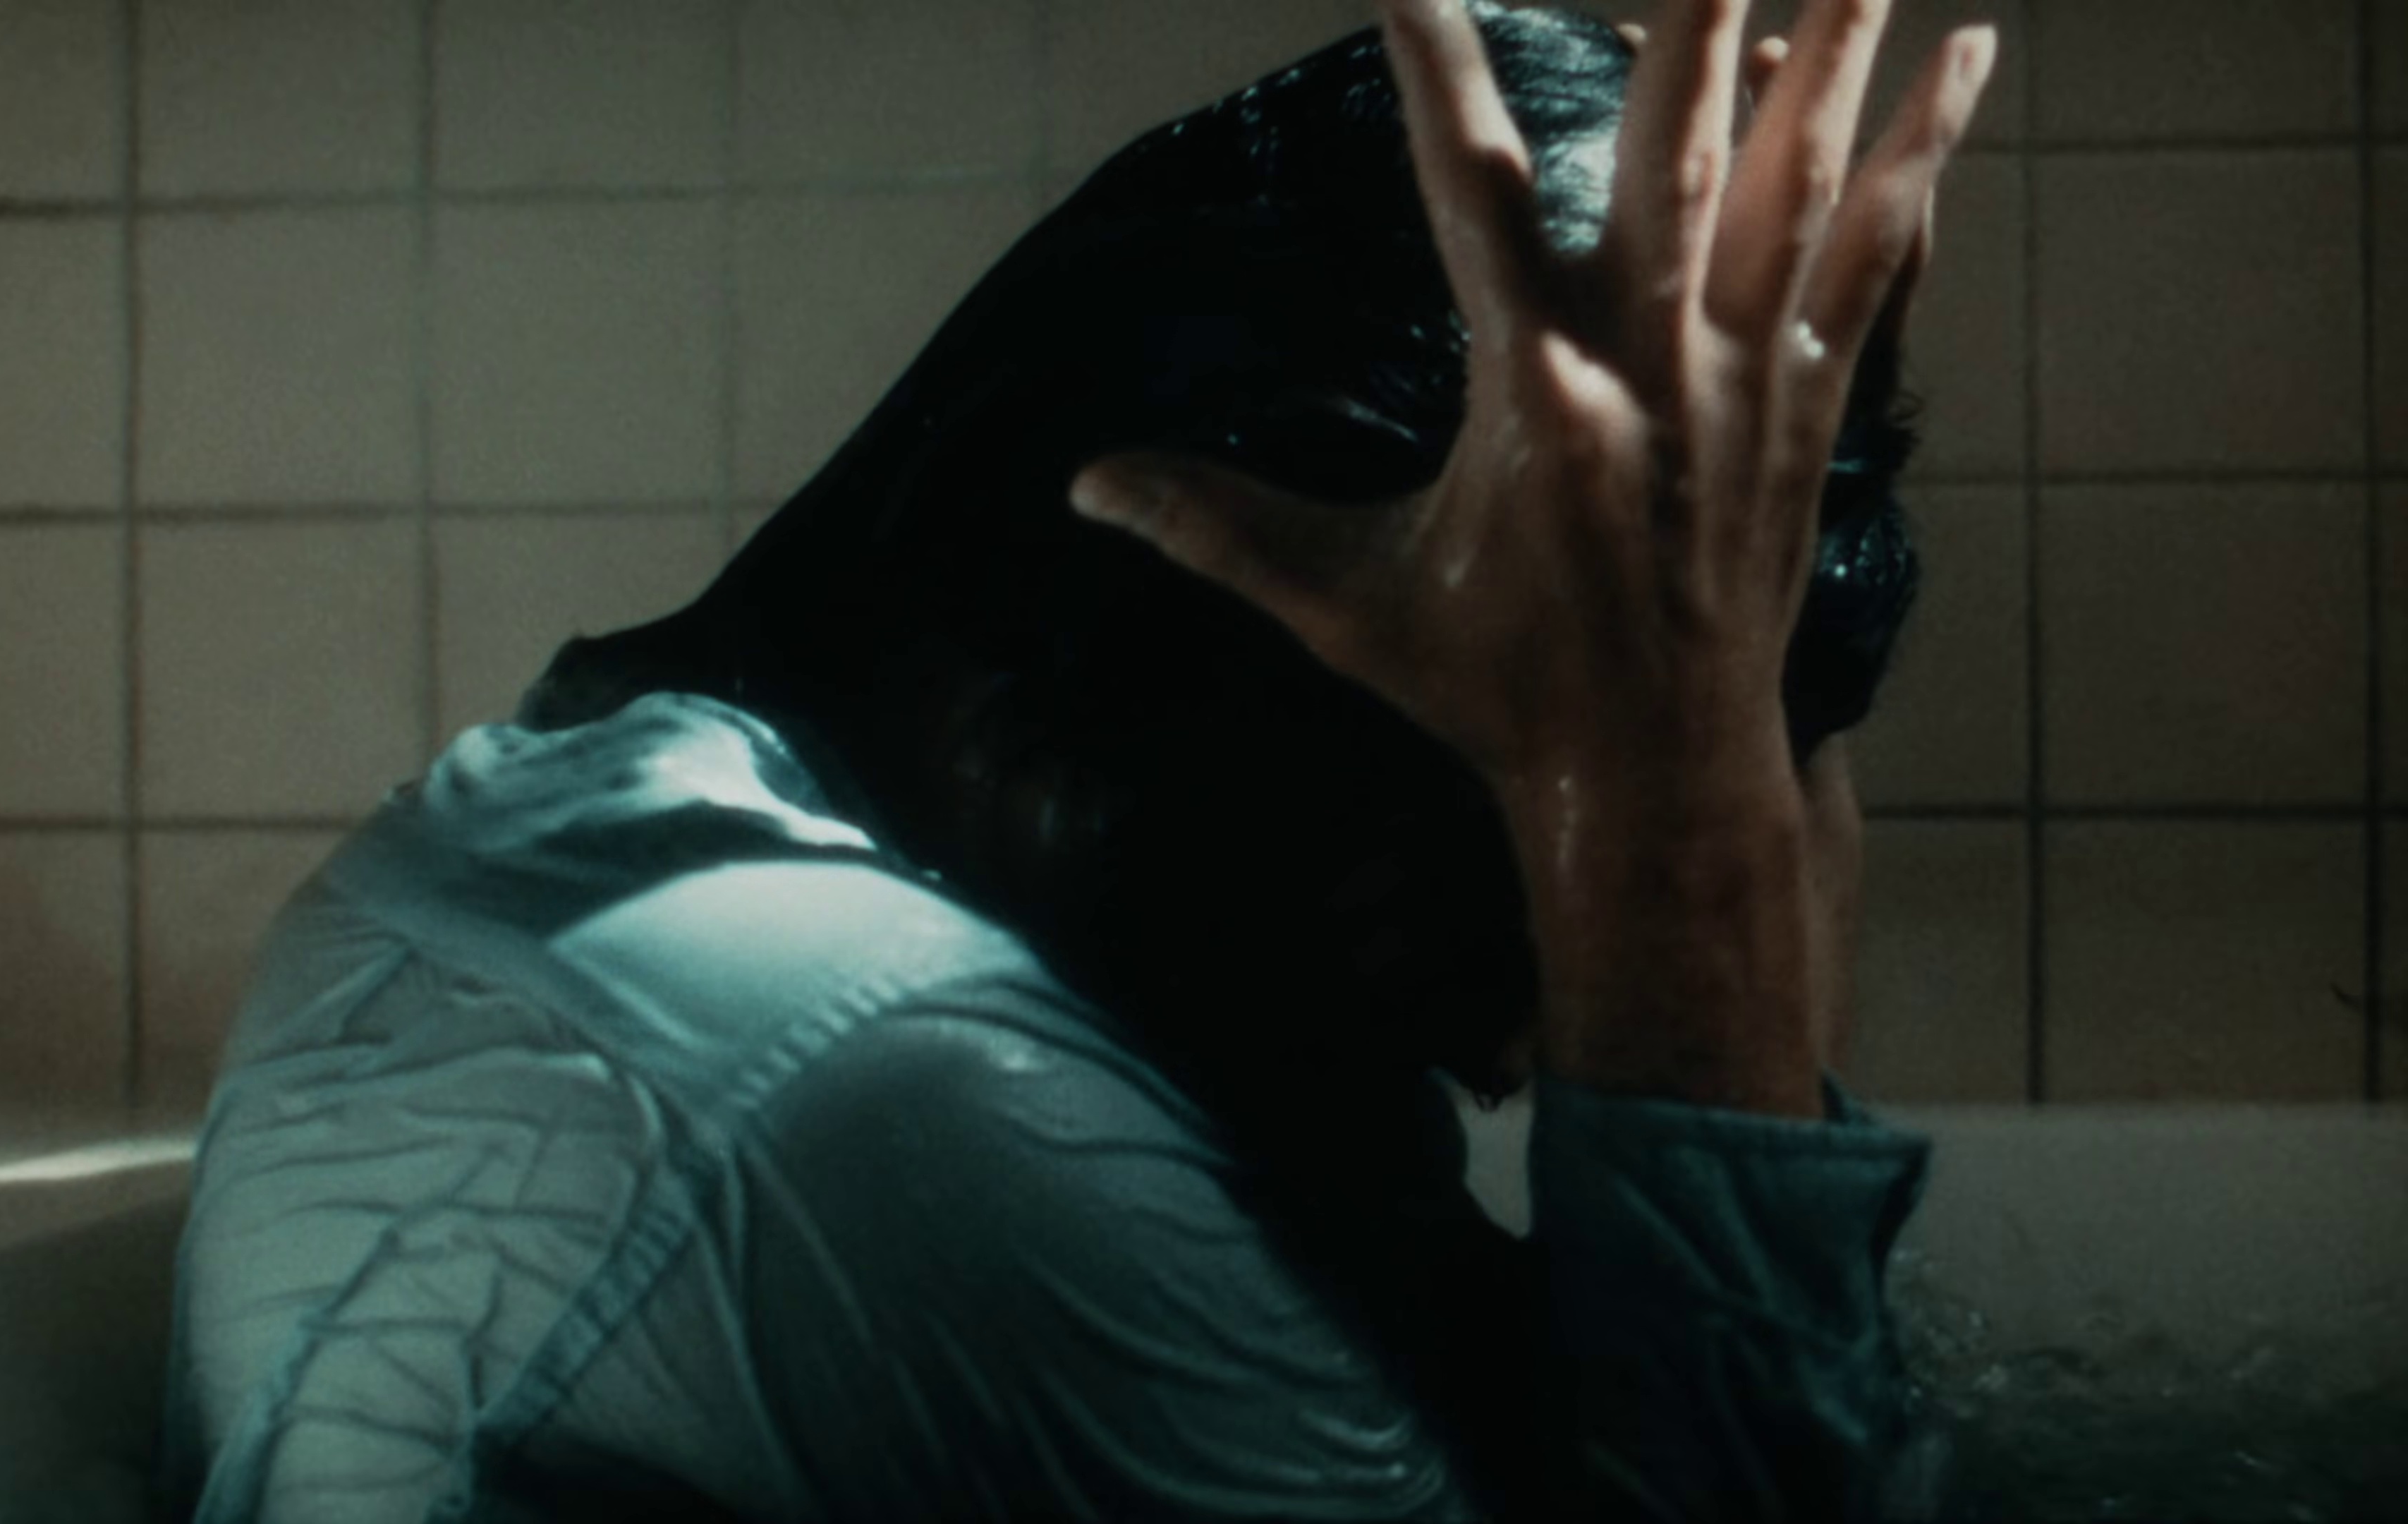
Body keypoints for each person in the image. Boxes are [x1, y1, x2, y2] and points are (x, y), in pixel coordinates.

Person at [159, 1, 1995, 1518]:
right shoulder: (913, 1110)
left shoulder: (654, 828)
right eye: (1520, 824)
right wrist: (1668, 838)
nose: (1523, 1061)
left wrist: (1736, 616)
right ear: (1215, 592)